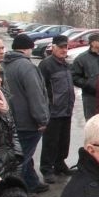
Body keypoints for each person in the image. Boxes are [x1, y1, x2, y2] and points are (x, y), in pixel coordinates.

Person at [3, 33, 50, 193]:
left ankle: (32, 182)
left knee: (24, 154)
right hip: (28, 121)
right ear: (28, 48)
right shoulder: (27, 67)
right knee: (23, 158)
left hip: (12, 119)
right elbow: (35, 95)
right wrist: (42, 120)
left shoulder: (4, 64)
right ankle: (20, 193)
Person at [38, 34, 76, 183]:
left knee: (63, 140)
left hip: (66, 109)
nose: (64, 50)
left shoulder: (65, 64)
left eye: (65, 47)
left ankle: (60, 164)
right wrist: (45, 107)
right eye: (60, 47)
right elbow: (41, 89)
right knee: (50, 142)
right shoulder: (46, 65)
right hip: (53, 111)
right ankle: (47, 168)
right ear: (53, 47)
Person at [71, 32, 99, 120]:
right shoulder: (81, 59)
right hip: (90, 97)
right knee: (92, 123)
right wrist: (89, 84)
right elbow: (74, 77)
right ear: (93, 43)